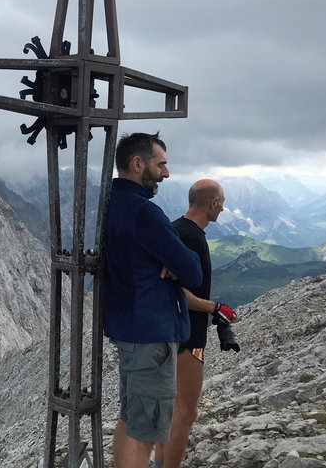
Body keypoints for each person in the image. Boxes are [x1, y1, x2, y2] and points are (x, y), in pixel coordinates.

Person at [103, 132, 202, 468]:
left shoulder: (111, 203)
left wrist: (169, 262)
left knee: (132, 417)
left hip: (129, 327)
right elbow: (192, 270)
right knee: (144, 429)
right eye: (161, 165)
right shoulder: (144, 212)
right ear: (137, 164)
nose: (166, 173)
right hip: (150, 332)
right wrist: (176, 264)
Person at [152, 179, 238, 468]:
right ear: (213, 202)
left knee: (172, 409)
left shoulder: (178, 229)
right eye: (221, 202)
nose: (223, 208)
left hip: (170, 332)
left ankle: (158, 463)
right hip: (187, 336)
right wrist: (215, 307)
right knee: (187, 413)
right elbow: (178, 293)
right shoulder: (191, 237)